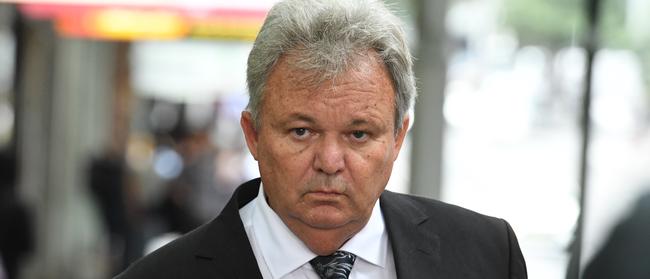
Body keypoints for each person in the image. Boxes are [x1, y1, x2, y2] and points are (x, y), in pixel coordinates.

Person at [116, 0, 527, 278]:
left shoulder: (488, 257)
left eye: (359, 134)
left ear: (398, 138)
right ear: (253, 135)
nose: (330, 161)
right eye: (301, 131)